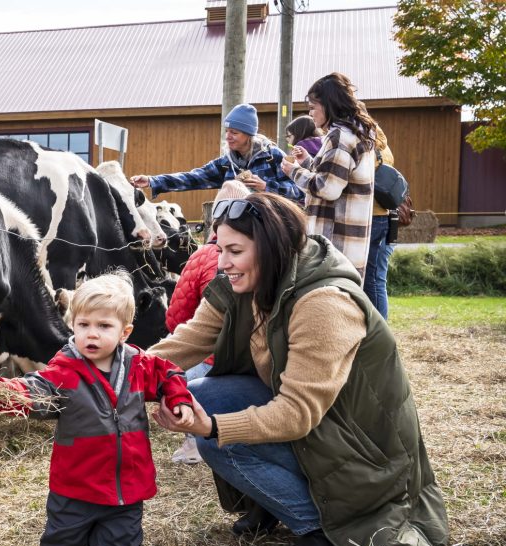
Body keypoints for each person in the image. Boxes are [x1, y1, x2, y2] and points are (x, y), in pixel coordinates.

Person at [147, 192, 448, 546]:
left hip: (359, 446)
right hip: (322, 428)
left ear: (271, 249)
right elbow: (184, 343)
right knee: (206, 393)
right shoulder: (252, 282)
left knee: (213, 428)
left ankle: (324, 527)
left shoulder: (324, 303)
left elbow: (298, 413)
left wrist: (213, 427)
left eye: (234, 251)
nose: (222, 264)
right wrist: (108, 373)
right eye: (219, 248)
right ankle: (278, 504)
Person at [0, 271, 194, 546]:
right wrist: (1, 394)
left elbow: (169, 374)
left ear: (124, 331)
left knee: (123, 540)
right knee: (64, 537)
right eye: (84, 324)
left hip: (126, 482)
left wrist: (179, 399)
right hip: (77, 483)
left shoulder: (137, 366)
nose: (92, 334)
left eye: (104, 327)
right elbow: (33, 390)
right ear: (72, 324)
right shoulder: (64, 372)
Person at [166, 180, 252, 465]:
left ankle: (193, 444)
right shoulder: (261, 255)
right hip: (250, 365)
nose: (227, 262)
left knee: (185, 386)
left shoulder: (203, 255)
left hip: (210, 361)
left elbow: (176, 316)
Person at [281, 73, 377, 277]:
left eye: (313, 107)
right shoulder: (354, 133)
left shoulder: (340, 137)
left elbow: (328, 188)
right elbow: (337, 176)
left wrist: (294, 172)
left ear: (328, 105)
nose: (311, 113)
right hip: (349, 243)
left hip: (335, 244)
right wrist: (307, 161)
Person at [130, 104, 304, 203]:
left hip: (272, 228)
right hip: (239, 227)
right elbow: (193, 178)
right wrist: (152, 180)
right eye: (227, 131)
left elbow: (301, 193)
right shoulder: (226, 163)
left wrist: (266, 187)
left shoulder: (274, 156)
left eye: (234, 132)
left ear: (249, 135)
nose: (228, 137)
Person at [365, 125, 397, 319]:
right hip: (386, 216)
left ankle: (380, 334)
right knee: (377, 279)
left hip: (374, 215)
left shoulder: (369, 147)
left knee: (373, 281)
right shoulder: (383, 145)